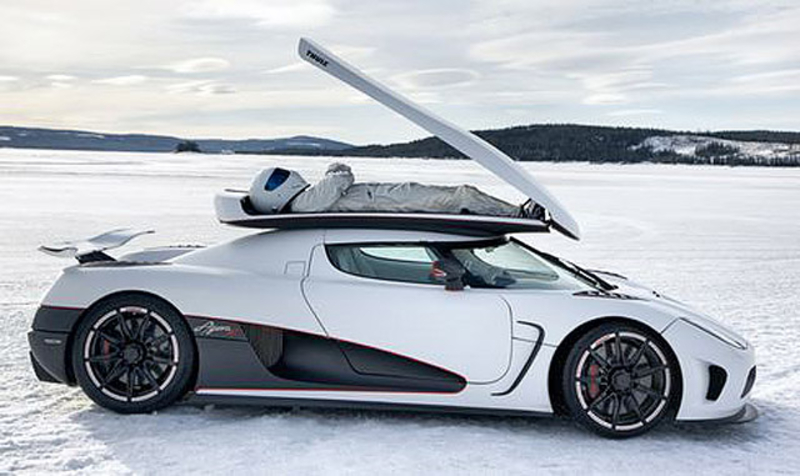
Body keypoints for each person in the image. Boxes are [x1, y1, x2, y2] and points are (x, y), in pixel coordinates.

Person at [248, 162, 544, 219]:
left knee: (459, 196)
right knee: (462, 196)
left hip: (391, 196)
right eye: (276, 181)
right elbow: (342, 176)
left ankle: (514, 212)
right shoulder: (303, 204)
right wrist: (333, 169)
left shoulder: (305, 200)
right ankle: (519, 214)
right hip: (394, 202)